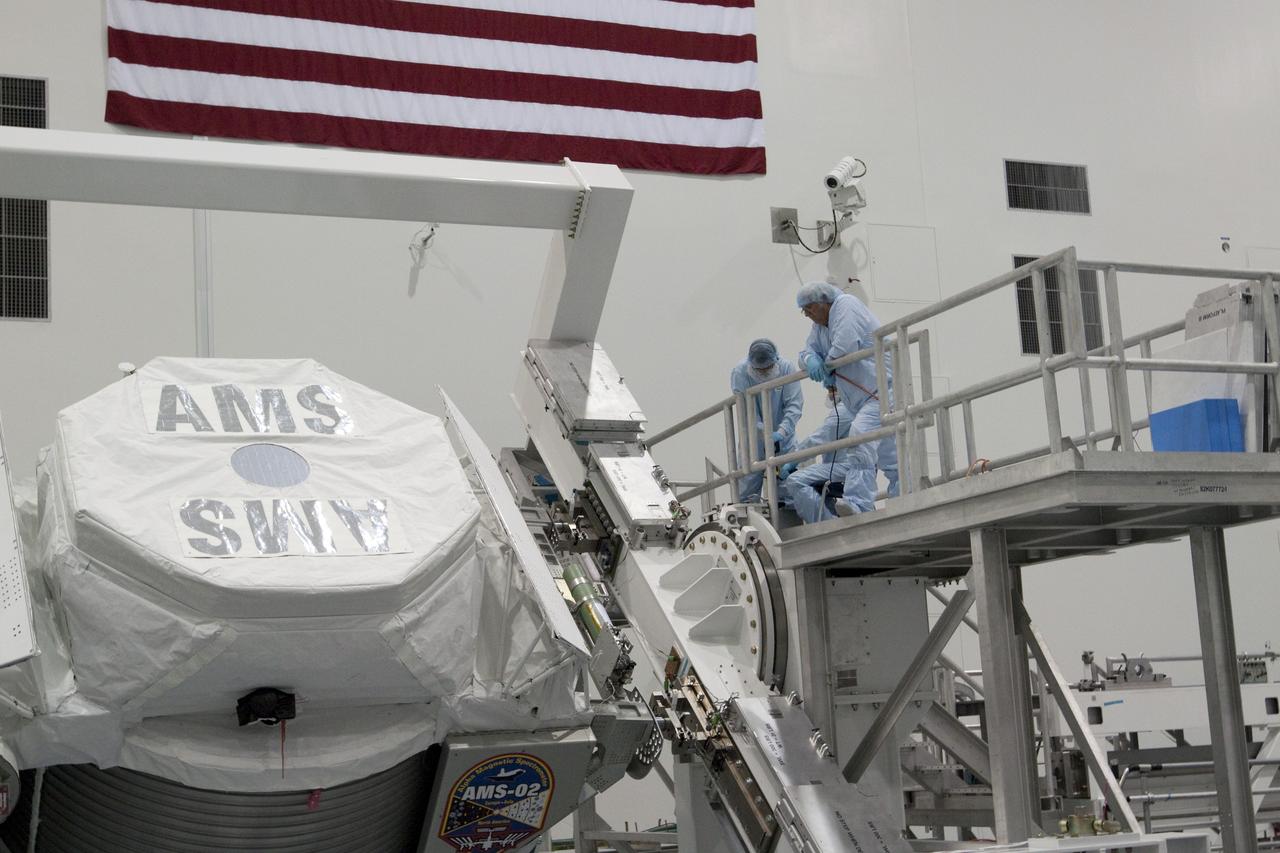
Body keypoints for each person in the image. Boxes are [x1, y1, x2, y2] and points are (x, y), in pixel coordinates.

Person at [795, 281, 899, 515]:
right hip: (859, 399)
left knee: (860, 437)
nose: (807, 315)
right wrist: (811, 360)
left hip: (880, 392)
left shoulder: (846, 305)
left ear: (822, 303)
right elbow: (806, 352)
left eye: (809, 309)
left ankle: (858, 503)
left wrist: (827, 367)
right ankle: (904, 494)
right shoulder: (821, 325)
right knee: (889, 454)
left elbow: (846, 344)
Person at [729, 338, 803, 501]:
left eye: (767, 368)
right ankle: (748, 510)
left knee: (787, 487)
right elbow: (747, 411)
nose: (763, 372)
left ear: (775, 360)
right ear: (751, 363)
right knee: (748, 486)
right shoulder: (740, 372)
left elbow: (794, 405)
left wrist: (782, 431)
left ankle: (786, 512)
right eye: (759, 370)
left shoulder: (786, 368)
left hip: (784, 438)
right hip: (753, 439)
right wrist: (763, 432)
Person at [780, 395, 857, 523]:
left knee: (795, 481)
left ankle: (827, 523)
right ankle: (830, 517)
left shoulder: (845, 410)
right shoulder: (854, 407)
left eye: (832, 388)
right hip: (845, 468)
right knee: (817, 485)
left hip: (845, 468)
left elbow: (819, 438)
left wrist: (792, 461)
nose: (829, 393)